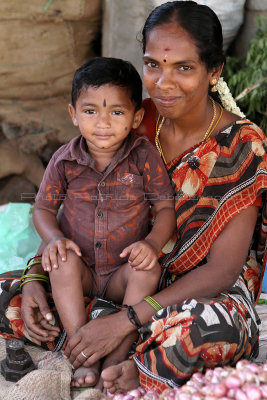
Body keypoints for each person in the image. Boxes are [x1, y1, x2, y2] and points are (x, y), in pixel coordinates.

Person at [0, 0, 266, 394]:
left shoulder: (243, 147)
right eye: (153, 64)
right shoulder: (130, 120)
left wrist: (126, 320)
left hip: (197, 295)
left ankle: (120, 353)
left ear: (215, 71)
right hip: (116, 275)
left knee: (206, 332)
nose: (163, 82)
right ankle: (108, 348)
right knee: (14, 294)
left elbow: (223, 272)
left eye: (184, 68)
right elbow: (76, 210)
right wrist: (38, 275)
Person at [23, 56, 176, 386]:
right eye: (91, 110)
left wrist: (151, 244)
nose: (102, 122)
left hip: (123, 274)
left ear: (136, 117)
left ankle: (117, 354)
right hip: (84, 274)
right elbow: (43, 210)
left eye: (116, 112)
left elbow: (165, 209)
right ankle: (81, 349)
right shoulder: (64, 160)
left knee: (148, 268)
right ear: (73, 114)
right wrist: (53, 239)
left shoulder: (142, 155)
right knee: (61, 259)